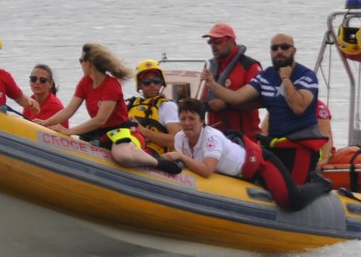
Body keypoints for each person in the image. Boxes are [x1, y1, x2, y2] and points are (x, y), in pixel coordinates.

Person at [205, 33, 330, 206]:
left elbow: (298, 106)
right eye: (274, 48)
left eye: (284, 47)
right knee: (266, 186)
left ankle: (320, 184)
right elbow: (236, 98)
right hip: (275, 145)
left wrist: (285, 78)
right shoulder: (266, 76)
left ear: (294, 51)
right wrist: (213, 85)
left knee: (292, 199)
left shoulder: (306, 76)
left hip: (300, 147)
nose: (279, 51)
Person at [40, 42, 182, 175]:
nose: (151, 85)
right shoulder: (85, 83)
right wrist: (45, 123)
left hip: (121, 131)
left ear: (88, 63)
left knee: (123, 156)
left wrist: (68, 131)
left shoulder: (112, 86)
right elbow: (68, 111)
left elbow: (100, 120)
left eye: (81, 61)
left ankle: (158, 163)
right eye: (146, 82)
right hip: (100, 133)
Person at [199, 22, 262, 141]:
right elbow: (203, 97)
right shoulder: (210, 67)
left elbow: (259, 101)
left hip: (245, 138)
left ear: (231, 42)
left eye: (217, 42)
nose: (213, 46)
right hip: (216, 138)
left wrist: (227, 104)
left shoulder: (250, 66)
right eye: (210, 42)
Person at [165, 99, 247, 178]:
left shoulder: (212, 138)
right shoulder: (179, 137)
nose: (186, 123)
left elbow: (206, 171)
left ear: (202, 121)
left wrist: (180, 156)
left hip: (245, 168)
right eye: (183, 119)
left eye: (191, 118)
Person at [125, 60, 180, 154]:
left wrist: (143, 131)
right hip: (129, 146)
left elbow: (175, 141)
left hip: (153, 154)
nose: (152, 85)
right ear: (140, 85)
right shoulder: (131, 104)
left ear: (161, 83)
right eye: (147, 82)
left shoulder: (167, 106)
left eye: (156, 81)